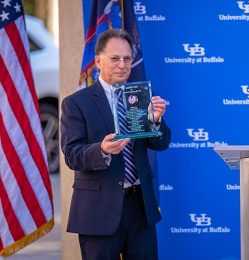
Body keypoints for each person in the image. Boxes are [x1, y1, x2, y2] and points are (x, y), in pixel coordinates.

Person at [60, 29, 171, 259]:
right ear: (98, 61)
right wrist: (101, 150)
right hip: (98, 211)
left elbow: (160, 144)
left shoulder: (140, 96)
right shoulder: (76, 103)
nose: (122, 65)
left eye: (127, 58)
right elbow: (71, 154)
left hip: (141, 207)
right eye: (115, 58)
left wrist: (156, 121)